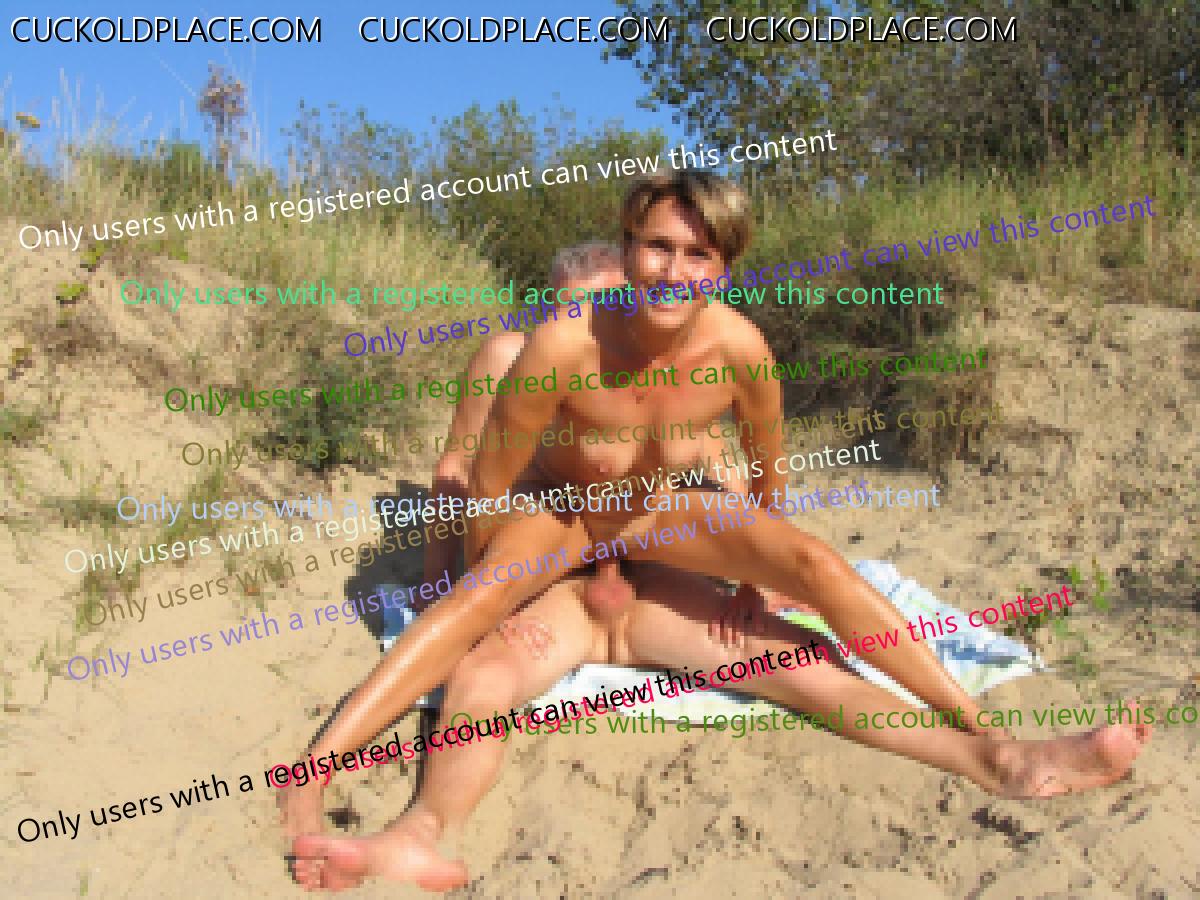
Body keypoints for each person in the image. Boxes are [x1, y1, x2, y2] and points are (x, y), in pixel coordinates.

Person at [284, 171, 1151, 888]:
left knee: (807, 593)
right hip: (559, 523)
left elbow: (766, 475)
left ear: (724, 267)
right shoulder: (557, 346)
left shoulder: (739, 349)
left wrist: (753, 578)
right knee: (478, 657)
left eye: (697, 254)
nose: (673, 270)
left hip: (652, 524)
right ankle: (381, 813)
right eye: (657, 247)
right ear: (628, 248)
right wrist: (491, 585)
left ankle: (991, 747)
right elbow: (486, 484)